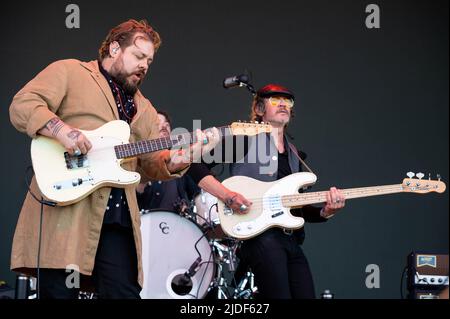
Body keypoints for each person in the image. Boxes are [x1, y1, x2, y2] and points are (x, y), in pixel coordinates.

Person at [9, 19, 218, 299]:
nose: (144, 65)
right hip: (69, 208)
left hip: (118, 217)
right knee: (59, 292)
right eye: (139, 56)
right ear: (115, 48)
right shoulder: (71, 71)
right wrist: (61, 130)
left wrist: (186, 157)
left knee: (124, 292)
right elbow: (23, 104)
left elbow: (152, 162)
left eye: (149, 61)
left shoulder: (144, 107)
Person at [187, 84, 346, 299]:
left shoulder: (295, 155)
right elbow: (194, 164)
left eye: (287, 101)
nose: (283, 104)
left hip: (291, 240)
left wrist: (326, 212)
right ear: (260, 110)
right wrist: (227, 195)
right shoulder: (244, 140)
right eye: (275, 100)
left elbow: (297, 208)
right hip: (259, 239)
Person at [136, 110, 200, 214]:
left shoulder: (181, 159)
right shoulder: (139, 159)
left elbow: (199, 195)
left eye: (167, 124)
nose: (164, 126)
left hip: (178, 226)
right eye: (157, 123)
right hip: (145, 225)